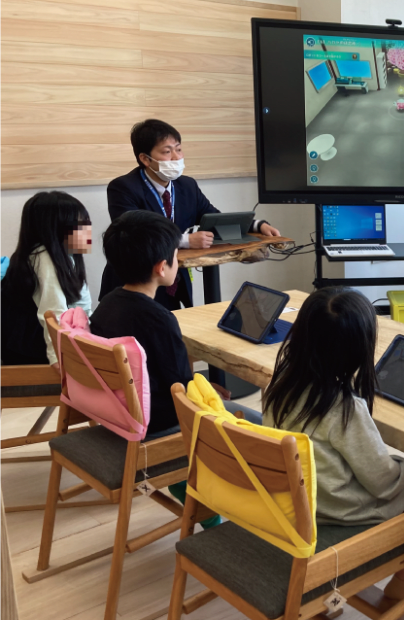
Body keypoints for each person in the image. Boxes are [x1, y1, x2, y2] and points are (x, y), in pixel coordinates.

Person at [263, 287, 404, 600]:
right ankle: (401, 581)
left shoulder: (278, 386)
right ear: (358, 349)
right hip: (335, 512)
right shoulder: (344, 409)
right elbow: (380, 482)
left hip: (294, 503)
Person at [91, 210, 261, 439]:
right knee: (258, 423)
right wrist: (205, 394)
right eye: (175, 255)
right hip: (160, 420)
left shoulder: (106, 304)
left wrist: (202, 387)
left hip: (121, 412)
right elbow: (180, 388)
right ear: (162, 267)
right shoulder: (159, 319)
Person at [99, 119, 282, 312]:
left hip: (173, 277)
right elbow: (135, 236)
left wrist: (257, 225)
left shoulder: (187, 185)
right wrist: (185, 240)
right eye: (167, 152)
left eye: (178, 149)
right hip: (136, 282)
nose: (176, 157)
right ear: (145, 159)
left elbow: (215, 218)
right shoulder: (124, 187)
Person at [0, 192, 92, 367]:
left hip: (47, 339)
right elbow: (52, 312)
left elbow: (83, 306)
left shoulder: (69, 256)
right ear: (54, 229)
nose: (88, 232)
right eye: (80, 226)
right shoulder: (44, 256)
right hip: (29, 348)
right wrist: (58, 357)